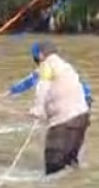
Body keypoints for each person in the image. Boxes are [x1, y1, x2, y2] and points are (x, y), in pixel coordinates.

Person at [28, 41, 91, 175]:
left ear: (40, 55)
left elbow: (43, 87)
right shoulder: (66, 67)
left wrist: (37, 108)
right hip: (82, 118)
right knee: (71, 162)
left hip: (63, 121)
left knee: (53, 168)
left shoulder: (47, 65)